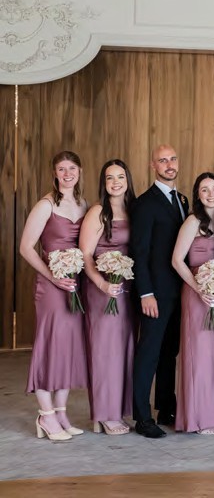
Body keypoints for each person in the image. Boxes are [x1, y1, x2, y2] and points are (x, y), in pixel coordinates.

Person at [21, 151, 89, 442]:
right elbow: (26, 247)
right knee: (50, 345)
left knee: (69, 347)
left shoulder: (84, 204)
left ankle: (61, 412)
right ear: (54, 173)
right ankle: (45, 416)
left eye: (71, 168)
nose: (67, 173)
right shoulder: (46, 204)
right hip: (51, 287)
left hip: (74, 285)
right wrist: (52, 276)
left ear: (80, 171)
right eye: (61, 169)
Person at [130, 144, 188, 439]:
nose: (169, 164)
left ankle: (166, 407)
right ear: (153, 166)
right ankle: (142, 417)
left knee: (170, 352)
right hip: (154, 294)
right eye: (162, 160)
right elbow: (138, 252)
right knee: (149, 353)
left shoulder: (182, 199)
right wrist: (145, 293)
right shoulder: (144, 203)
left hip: (179, 293)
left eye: (172, 159)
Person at [171, 172, 214, 435]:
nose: (210, 193)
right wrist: (198, 288)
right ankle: (199, 417)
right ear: (197, 194)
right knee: (200, 354)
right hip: (196, 294)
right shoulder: (193, 221)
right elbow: (176, 260)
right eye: (204, 189)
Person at [79, 159, 136, 435]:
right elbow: (86, 255)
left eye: (121, 176)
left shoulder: (133, 209)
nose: (116, 182)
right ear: (103, 183)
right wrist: (102, 284)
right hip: (103, 290)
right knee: (105, 350)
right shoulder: (98, 212)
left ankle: (115, 409)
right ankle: (104, 413)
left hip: (126, 289)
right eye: (110, 178)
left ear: (128, 180)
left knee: (123, 349)